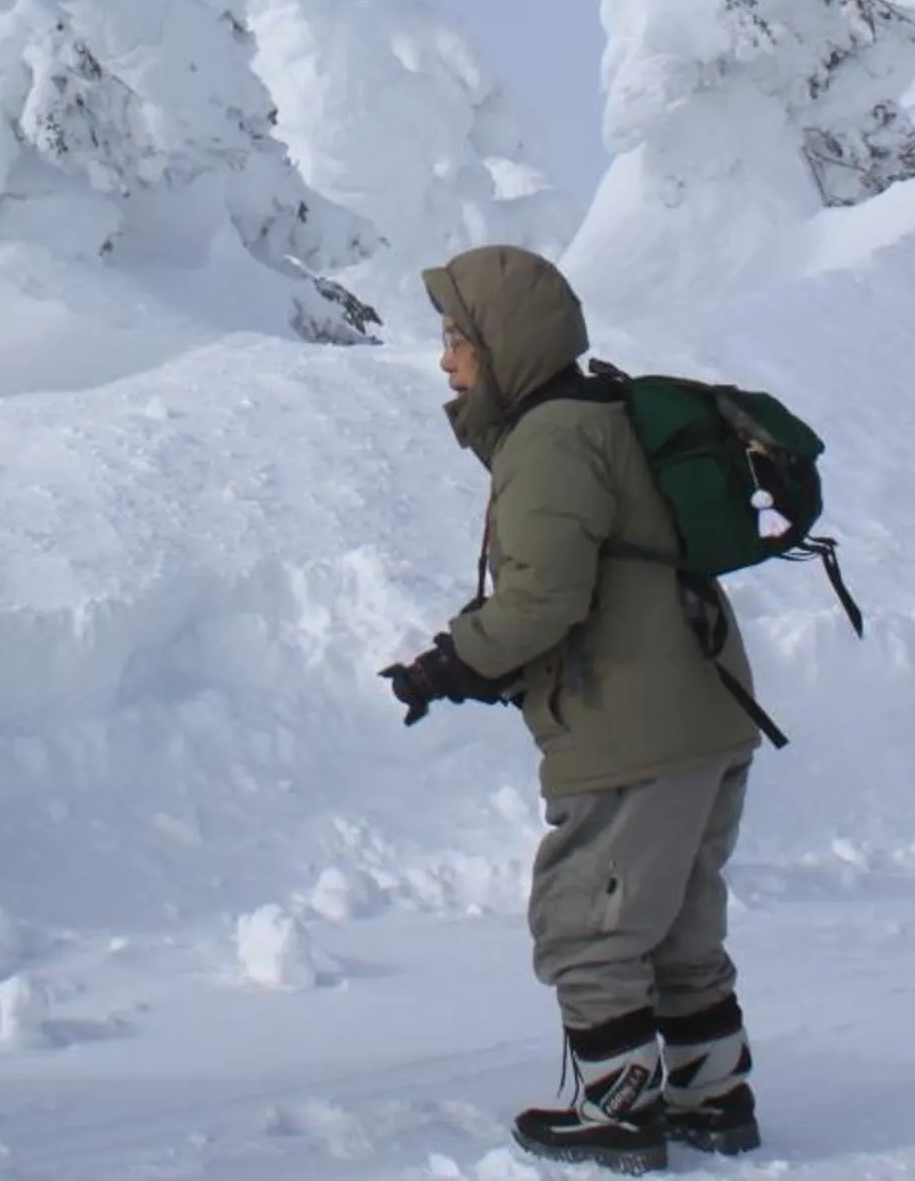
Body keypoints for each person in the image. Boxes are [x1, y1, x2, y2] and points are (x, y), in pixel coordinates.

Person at [383, 245, 765, 1170]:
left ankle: (619, 1112)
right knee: (678, 923)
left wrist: (449, 662)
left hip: (634, 728)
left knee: (587, 921)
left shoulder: (551, 439)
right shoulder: (604, 413)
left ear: (504, 344)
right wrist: (487, 662)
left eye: (458, 339)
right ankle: (714, 1097)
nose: (446, 362)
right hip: (705, 707)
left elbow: (544, 600)